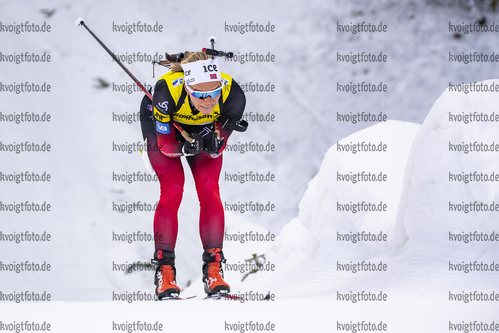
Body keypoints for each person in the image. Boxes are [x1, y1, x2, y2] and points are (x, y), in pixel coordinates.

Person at [139, 51, 246, 299]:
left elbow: (220, 140)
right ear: (188, 88)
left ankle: (214, 270)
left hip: (204, 126)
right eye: (200, 94)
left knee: (209, 188)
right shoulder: (166, 93)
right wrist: (185, 147)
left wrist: (214, 143)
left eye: (213, 92)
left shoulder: (233, 95)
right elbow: (165, 144)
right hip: (163, 127)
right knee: (173, 188)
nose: (208, 101)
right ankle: (165, 274)